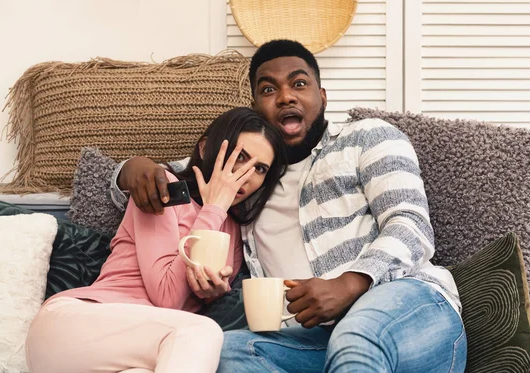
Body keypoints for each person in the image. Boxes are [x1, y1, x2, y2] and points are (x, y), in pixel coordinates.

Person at [112, 40, 467, 372]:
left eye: (299, 84)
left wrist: (349, 284)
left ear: (322, 96)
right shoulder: (243, 174)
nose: (284, 97)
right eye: (268, 89)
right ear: (255, 108)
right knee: (225, 351)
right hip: (311, 337)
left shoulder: (367, 137)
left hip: (407, 306)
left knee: (356, 336)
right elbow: (170, 180)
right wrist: (132, 168)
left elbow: (410, 224)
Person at [25, 107, 287, 373]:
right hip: (73, 326)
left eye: (260, 168)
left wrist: (213, 294)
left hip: (136, 349)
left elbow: (185, 302)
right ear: (207, 149)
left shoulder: (235, 232)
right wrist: (214, 208)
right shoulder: (162, 189)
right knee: (204, 332)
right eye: (239, 157)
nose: (245, 174)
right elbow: (167, 297)